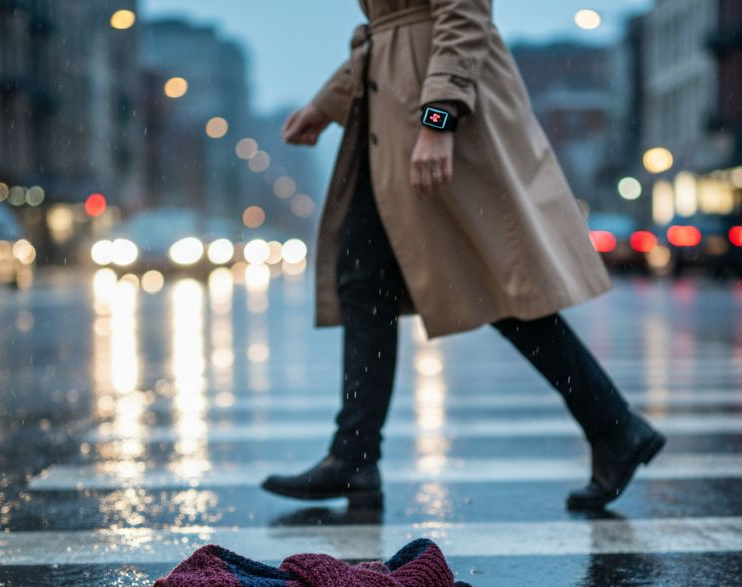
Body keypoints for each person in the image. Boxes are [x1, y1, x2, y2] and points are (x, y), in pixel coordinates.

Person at [263, 0, 664, 511]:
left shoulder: (438, 106)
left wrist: (439, 119)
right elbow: (389, 34)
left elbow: (463, 16)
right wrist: (329, 101)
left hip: (438, 119)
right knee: (363, 280)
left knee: (500, 286)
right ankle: (354, 456)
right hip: (390, 124)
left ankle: (614, 427)